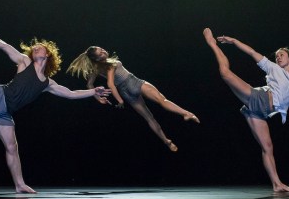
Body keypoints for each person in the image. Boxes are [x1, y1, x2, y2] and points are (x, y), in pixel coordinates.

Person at [0, 30, 111, 194]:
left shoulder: (48, 84)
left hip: (4, 113)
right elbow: (4, 46)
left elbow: (71, 94)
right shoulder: (24, 62)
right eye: (34, 48)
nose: (36, 48)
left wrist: (93, 92)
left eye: (40, 47)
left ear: (48, 54)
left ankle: (20, 185)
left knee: (12, 148)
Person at [203, 28, 289, 192]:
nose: (278, 57)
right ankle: (212, 44)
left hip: (261, 113)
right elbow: (252, 52)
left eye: (281, 54)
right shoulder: (273, 68)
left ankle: (276, 184)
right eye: (277, 55)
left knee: (267, 147)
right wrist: (234, 41)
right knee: (224, 72)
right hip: (259, 98)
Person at [66, 46, 200, 152]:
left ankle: (167, 142)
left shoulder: (95, 68)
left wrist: (98, 98)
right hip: (134, 82)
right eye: (100, 53)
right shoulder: (109, 64)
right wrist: (119, 100)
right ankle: (186, 113)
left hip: (126, 91)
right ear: (97, 59)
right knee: (162, 100)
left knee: (149, 118)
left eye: (101, 49)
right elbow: (110, 84)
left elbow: (89, 85)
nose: (103, 52)